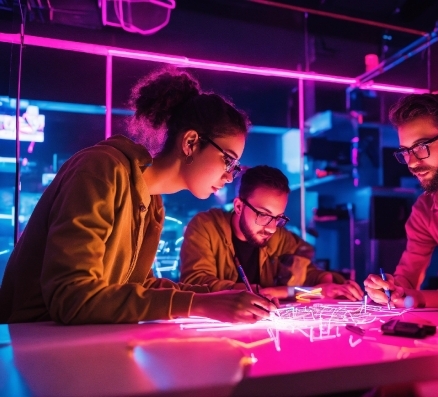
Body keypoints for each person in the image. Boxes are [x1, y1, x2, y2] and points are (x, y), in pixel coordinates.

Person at [0, 67, 275, 324]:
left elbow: (135, 287)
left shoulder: (151, 203)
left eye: (235, 168)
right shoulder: (100, 169)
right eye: (228, 161)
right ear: (191, 142)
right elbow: (71, 297)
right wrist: (197, 305)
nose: (230, 176)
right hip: (30, 344)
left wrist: (217, 297)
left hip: (75, 345)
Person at [180, 165, 364, 301]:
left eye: (278, 218)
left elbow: (308, 277)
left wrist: (327, 281)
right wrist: (262, 292)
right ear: (238, 206)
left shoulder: (279, 237)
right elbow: (195, 285)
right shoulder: (205, 227)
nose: (271, 228)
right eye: (264, 215)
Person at [364, 93, 438, 309]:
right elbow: (406, 280)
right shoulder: (425, 209)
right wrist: (391, 289)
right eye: (405, 152)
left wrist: (411, 297)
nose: (412, 163)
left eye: (422, 146)